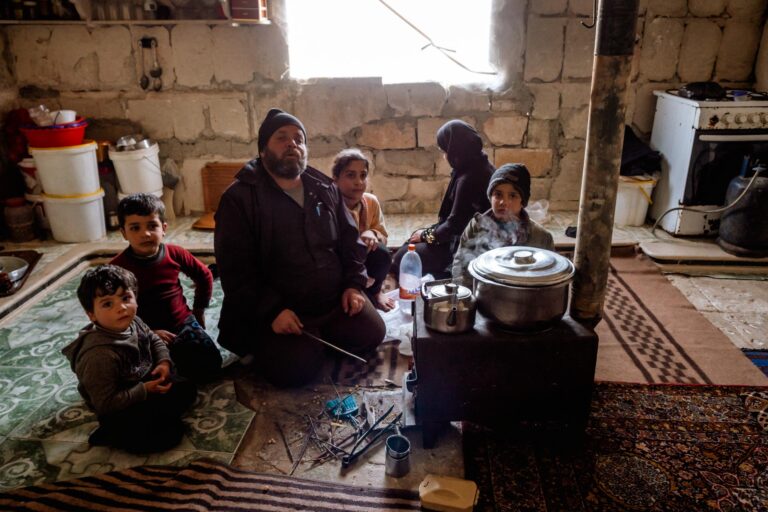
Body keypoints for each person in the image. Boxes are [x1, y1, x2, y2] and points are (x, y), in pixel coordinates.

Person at [214, 108, 386, 387]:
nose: (292, 143)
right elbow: (236, 269)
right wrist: (272, 312)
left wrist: (353, 286)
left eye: (298, 138)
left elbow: (349, 240)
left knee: (372, 333)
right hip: (280, 309)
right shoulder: (240, 199)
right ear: (263, 150)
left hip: (330, 300)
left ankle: (318, 339)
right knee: (297, 372)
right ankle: (280, 344)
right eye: (281, 137)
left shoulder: (323, 187)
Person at [62, 265, 197, 453]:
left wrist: (164, 363)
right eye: (107, 304)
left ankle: (156, 414)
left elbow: (153, 339)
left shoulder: (133, 321)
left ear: (135, 298)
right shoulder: (98, 356)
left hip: (141, 381)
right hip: (117, 407)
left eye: (126, 298)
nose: (121, 308)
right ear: (91, 314)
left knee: (187, 388)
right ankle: (110, 432)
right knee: (168, 436)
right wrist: (144, 390)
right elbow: (106, 403)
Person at [111, 193, 221, 383]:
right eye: (135, 228)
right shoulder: (117, 268)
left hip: (181, 323)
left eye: (152, 226)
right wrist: (147, 332)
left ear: (163, 228)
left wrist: (199, 310)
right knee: (140, 373)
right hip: (143, 331)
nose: (145, 234)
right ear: (124, 233)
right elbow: (113, 311)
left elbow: (204, 276)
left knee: (211, 364)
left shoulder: (175, 253)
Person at [392, 119, 494, 278]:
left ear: (455, 150)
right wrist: (425, 234)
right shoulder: (479, 164)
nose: (445, 156)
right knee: (413, 240)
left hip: (465, 247)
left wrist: (426, 235)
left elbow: (453, 226)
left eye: (445, 150)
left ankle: (444, 274)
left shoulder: (469, 179)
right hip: (467, 236)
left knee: (402, 256)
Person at [451, 163, 555, 287]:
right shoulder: (476, 227)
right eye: (498, 194)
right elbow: (461, 268)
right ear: (490, 197)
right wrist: (465, 298)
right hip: (482, 296)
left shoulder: (541, 238)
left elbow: (548, 280)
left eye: (512, 196)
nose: (503, 202)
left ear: (523, 201)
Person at [331, 148, 395, 311]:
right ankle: (351, 288)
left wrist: (372, 233)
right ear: (335, 179)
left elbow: (383, 236)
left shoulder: (370, 202)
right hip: (341, 263)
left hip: (363, 259)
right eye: (350, 175)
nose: (359, 182)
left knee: (382, 254)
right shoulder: (329, 206)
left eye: (363, 175)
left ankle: (375, 291)